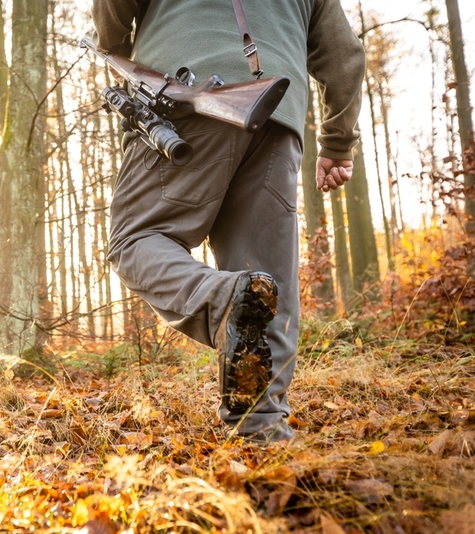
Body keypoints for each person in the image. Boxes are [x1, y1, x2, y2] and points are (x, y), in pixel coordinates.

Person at [90, 0, 365, 443]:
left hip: (181, 98)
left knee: (135, 239)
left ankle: (220, 302)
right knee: (265, 276)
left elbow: (112, 10)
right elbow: (345, 55)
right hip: (276, 114)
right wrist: (337, 142)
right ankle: (263, 429)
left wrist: (115, 52)